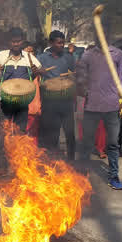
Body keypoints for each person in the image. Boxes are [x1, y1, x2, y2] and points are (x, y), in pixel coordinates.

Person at [76, 39, 122, 190]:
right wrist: (82, 88)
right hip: (91, 106)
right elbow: (80, 77)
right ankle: (82, 175)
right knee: (87, 143)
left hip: (111, 106)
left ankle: (114, 175)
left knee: (112, 144)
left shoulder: (118, 54)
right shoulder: (87, 55)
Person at [0, 27, 41, 176]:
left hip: (22, 105)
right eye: (13, 41)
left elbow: (40, 71)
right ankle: (2, 166)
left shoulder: (29, 58)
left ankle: (19, 165)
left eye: (18, 41)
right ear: (9, 42)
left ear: (22, 42)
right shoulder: (1, 56)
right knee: (3, 134)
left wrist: (37, 71)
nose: (16, 44)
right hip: (6, 103)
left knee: (20, 135)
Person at [37, 30, 77, 160]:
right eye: (59, 43)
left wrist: (73, 76)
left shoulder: (68, 57)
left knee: (70, 132)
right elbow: (32, 74)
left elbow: (75, 74)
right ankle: (52, 160)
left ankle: (71, 160)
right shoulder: (42, 58)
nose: (61, 45)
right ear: (51, 43)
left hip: (66, 100)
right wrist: (39, 71)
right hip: (49, 101)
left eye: (63, 43)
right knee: (52, 133)